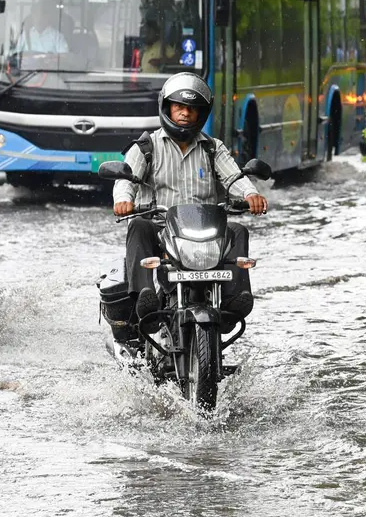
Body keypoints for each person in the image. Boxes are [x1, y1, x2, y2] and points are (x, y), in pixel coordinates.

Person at [113, 73, 268, 331]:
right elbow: (125, 180)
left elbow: (233, 177)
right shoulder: (146, 146)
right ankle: (145, 297)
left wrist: (250, 195)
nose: (185, 113)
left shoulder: (212, 148)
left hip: (206, 232)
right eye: (179, 107)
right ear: (167, 108)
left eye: (192, 109)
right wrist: (123, 200)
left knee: (238, 230)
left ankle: (233, 300)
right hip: (162, 230)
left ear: (201, 114)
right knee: (138, 225)